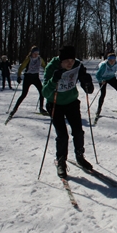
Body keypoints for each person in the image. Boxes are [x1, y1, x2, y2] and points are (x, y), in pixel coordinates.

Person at [42, 45, 95, 177]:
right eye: (66, 60)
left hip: (71, 102)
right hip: (55, 104)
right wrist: (53, 80)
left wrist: (88, 83)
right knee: (62, 135)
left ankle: (79, 156)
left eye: (72, 59)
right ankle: (61, 161)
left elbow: (88, 89)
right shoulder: (51, 67)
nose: (70, 63)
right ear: (60, 61)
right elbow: (45, 93)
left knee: (78, 132)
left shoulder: (77, 65)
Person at [10, 46, 48, 117]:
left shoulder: (40, 59)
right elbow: (21, 68)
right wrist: (19, 76)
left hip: (36, 77)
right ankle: (15, 108)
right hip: (28, 77)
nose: (36, 55)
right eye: (34, 53)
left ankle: (41, 108)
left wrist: (47, 72)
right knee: (24, 94)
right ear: (31, 53)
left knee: (42, 92)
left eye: (37, 53)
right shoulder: (28, 59)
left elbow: (45, 66)